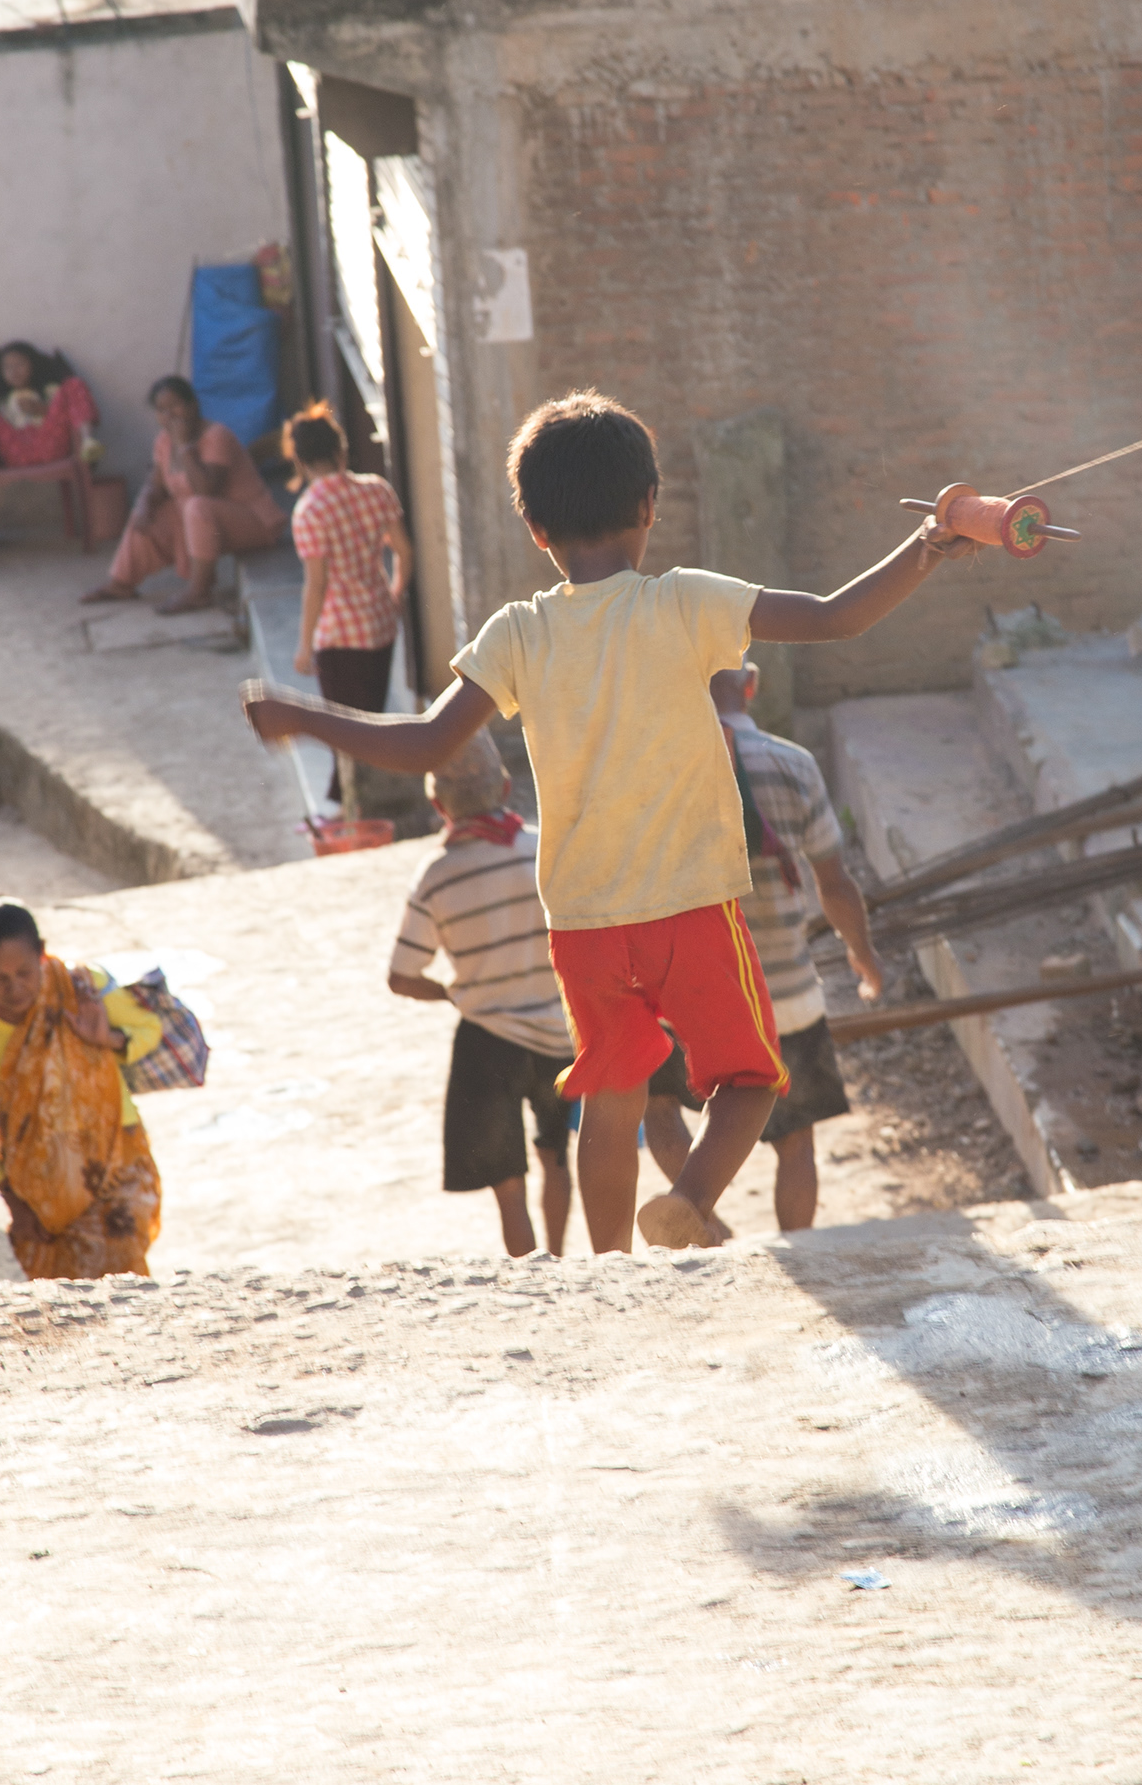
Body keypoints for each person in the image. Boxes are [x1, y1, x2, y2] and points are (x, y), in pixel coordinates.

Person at [242, 387, 973, 1255]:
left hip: (585, 923)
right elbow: (834, 617)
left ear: (536, 531)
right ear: (650, 507)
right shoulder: (685, 603)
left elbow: (427, 741)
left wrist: (304, 716)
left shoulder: (518, 632)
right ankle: (690, 1198)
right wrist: (930, 543)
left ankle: (608, 1268)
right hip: (692, 907)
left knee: (611, 1092)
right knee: (750, 1079)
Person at [645, 662, 882, 1233]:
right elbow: (834, 883)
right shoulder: (794, 764)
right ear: (750, 686)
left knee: (659, 1109)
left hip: (689, 994)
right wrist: (864, 956)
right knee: (795, 1140)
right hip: (786, 995)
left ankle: (706, 1223)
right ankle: (797, 1244)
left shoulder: (663, 768)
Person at [386, 728, 574, 1258]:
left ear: (436, 803)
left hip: (486, 1041)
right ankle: (560, 1259)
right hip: (561, 1031)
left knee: (506, 1187)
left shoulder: (436, 877)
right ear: (507, 785)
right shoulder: (544, 851)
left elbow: (401, 976)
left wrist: (451, 993)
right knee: (556, 1158)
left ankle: (530, 1277)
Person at [0, 897, 164, 1280]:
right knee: (58, 1291)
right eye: (1, 978)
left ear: (43, 954)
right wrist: (15, 1203)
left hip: (117, 1156)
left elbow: (150, 1030)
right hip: (37, 1184)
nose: (15, 988)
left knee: (123, 1268)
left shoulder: (81, 989)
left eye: (25, 973)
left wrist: (107, 1037)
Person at [285, 401, 415, 809]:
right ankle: (365, 806)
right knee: (372, 723)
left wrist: (305, 645)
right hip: (379, 623)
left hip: (340, 635)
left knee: (346, 736)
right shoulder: (377, 489)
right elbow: (404, 553)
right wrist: (395, 594)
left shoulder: (309, 510)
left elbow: (316, 585)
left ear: (302, 462)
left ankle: (355, 813)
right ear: (341, 451)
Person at [83, 375, 284, 613]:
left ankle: (199, 592)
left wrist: (186, 446)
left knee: (197, 506)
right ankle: (121, 583)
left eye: (175, 406)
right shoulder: (163, 441)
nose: (170, 415)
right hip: (208, 524)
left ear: (193, 405)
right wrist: (144, 504)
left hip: (254, 522)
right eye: (161, 410)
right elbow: (156, 484)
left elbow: (207, 490)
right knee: (150, 512)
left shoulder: (216, 436)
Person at [0, 341, 100, 473]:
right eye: (7, 367)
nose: (14, 371)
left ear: (32, 364)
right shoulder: (2, 399)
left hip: (49, 444)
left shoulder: (50, 390)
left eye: (20, 364)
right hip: (16, 450)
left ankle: (87, 440)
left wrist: (43, 409)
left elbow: (65, 414)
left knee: (74, 384)